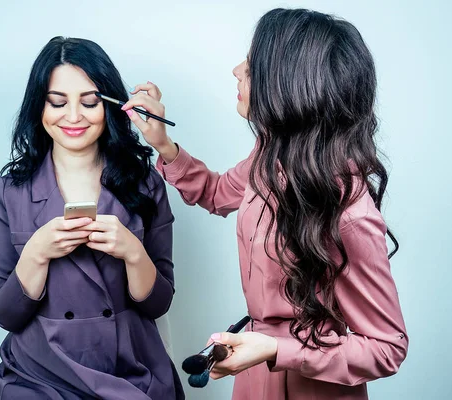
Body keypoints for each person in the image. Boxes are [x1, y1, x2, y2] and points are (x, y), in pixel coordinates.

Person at [122, 8, 408, 400]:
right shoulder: (270, 157)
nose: (237, 70)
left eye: (253, 65)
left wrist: (278, 349)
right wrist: (162, 143)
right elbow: (218, 192)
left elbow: (387, 347)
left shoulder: (350, 211)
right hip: (255, 377)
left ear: (290, 84)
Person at [0, 36, 184, 400]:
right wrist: (36, 254)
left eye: (90, 102)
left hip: (130, 371)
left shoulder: (145, 183)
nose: (74, 116)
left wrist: (132, 253)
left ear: (110, 106)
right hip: (38, 377)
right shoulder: (10, 191)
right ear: (38, 107)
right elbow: (5, 315)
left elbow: (158, 304)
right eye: (58, 102)